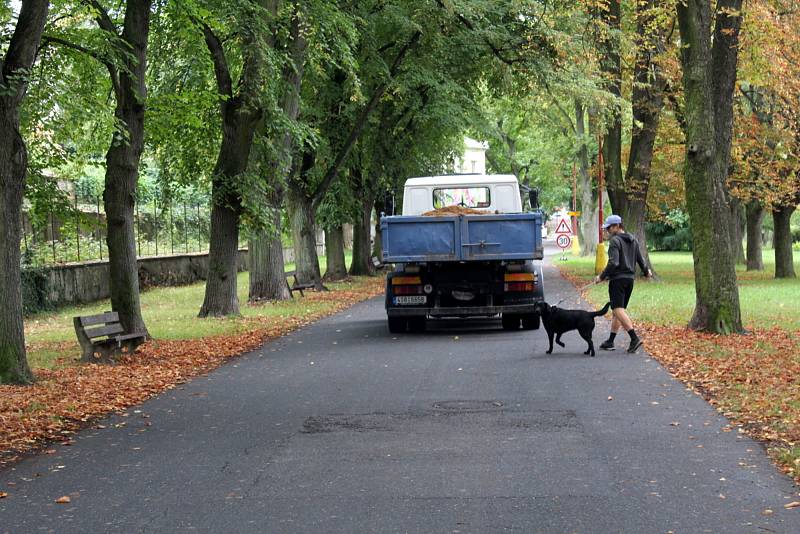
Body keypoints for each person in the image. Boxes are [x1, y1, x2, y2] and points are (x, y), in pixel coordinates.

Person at [594, 214, 653, 353]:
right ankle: (610, 341)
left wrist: (601, 276)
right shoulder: (633, 239)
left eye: (609, 228)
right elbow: (640, 259)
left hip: (618, 280)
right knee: (618, 311)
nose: (607, 231)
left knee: (617, 309)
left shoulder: (615, 241)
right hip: (629, 280)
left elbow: (614, 262)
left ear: (617, 226)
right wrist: (646, 272)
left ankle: (634, 338)